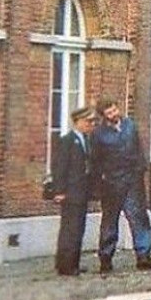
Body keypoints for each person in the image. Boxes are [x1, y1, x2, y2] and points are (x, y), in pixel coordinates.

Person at [92, 94, 151, 271]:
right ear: (103, 115)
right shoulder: (98, 134)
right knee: (109, 221)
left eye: (114, 109)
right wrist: (99, 184)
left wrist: (140, 170)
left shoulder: (130, 125)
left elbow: (138, 149)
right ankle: (106, 258)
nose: (114, 113)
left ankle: (144, 255)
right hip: (111, 183)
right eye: (109, 112)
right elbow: (95, 161)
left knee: (139, 218)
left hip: (133, 181)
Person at [50, 105, 96, 276]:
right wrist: (59, 191)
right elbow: (60, 168)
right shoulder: (67, 141)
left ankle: (72, 263)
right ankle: (65, 265)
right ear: (78, 122)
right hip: (70, 192)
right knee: (70, 229)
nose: (91, 124)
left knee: (78, 228)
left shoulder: (86, 140)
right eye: (88, 121)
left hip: (81, 192)